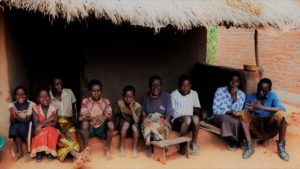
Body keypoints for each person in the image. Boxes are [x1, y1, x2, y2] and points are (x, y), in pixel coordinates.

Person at [240, 78, 289, 161]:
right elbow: (246, 112)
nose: (260, 92)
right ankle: (249, 146)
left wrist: (262, 107)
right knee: (243, 113)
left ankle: (281, 147)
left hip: (269, 128)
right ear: (257, 86)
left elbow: (282, 109)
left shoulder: (272, 96)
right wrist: (250, 111)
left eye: (264, 90)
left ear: (269, 90)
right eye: (259, 89)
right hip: (255, 129)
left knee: (282, 115)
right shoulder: (251, 97)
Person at [49, 77, 87, 166]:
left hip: (70, 123)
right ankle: (77, 156)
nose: (60, 86)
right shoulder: (49, 96)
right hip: (57, 124)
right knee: (63, 140)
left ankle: (76, 160)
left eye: (61, 84)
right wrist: (63, 130)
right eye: (57, 84)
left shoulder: (69, 92)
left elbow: (74, 106)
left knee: (73, 139)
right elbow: (52, 117)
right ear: (52, 86)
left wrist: (75, 118)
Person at [79, 79, 114, 160]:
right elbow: (83, 116)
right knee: (84, 124)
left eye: (98, 91)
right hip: (90, 129)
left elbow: (109, 114)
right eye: (93, 91)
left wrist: (104, 117)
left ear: (101, 91)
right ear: (90, 91)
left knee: (111, 124)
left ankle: (108, 149)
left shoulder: (106, 101)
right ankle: (86, 150)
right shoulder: (85, 101)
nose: (96, 93)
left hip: (101, 129)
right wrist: (93, 118)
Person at [211, 72, 246, 151]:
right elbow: (215, 110)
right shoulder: (220, 91)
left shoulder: (241, 95)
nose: (234, 83)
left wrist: (234, 99)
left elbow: (237, 112)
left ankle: (238, 139)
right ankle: (233, 140)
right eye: (232, 81)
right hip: (218, 117)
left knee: (238, 120)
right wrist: (228, 112)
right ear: (228, 81)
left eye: (236, 81)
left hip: (233, 118)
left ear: (239, 83)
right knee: (225, 117)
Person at [141, 76, 173, 154]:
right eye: (153, 85)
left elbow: (169, 114)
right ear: (149, 86)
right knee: (146, 126)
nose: (156, 87)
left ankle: (160, 146)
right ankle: (151, 145)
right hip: (150, 120)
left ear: (161, 86)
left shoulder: (167, 96)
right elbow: (143, 113)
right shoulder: (145, 96)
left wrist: (164, 123)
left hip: (162, 121)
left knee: (160, 129)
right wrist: (144, 119)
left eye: (158, 85)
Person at [171, 74, 201, 155]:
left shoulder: (194, 94)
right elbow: (171, 111)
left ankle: (194, 143)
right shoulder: (174, 94)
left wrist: (198, 122)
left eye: (187, 85)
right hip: (177, 121)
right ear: (179, 85)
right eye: (183, 85)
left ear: (191, 85)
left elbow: (197, 109)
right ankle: (182, 146)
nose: (185, 88)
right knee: (187, 119)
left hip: (189, 121)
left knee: (196, 118)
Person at [31, 88, 59, 162]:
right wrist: (49, 119)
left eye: (46, 96)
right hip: (39, 130)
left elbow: (55, 123)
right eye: (41, 97)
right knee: (41, 131)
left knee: (51, 130)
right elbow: (36, 124)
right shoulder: (35, 108)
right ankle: (39, 151)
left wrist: (42, 124)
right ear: (37, 99)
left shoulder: (54, 108)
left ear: (49, 97)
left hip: (51, 128)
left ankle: (50, 152)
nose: (45, 98)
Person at [8, 85, 35, 161]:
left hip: (29, 126)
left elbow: (27, 120)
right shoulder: (12, 105)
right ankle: (20, 152)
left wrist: (16, 117)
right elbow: (12, 121)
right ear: (14, 96)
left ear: (26, 96)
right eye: (18, 94)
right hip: (18, 126)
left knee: (21, 127)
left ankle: (29, 152)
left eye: (23, 94)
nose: (20, 96)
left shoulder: (31, 104)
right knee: (16, 127)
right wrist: (12, 114)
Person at [116, 85, 141, 158]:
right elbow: (117, 116)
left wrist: (131, 108)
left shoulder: (137, 106)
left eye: (130, 97)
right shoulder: (120, 103)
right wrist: (115, 128)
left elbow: (136, 121)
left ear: (134, 97)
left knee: (134, 127)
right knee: (126, 124)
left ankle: (134, 149)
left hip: (133, 126)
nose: (128, 99)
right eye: (126, 96)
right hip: (123, 126)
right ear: (123, 96)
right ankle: (122, 147)